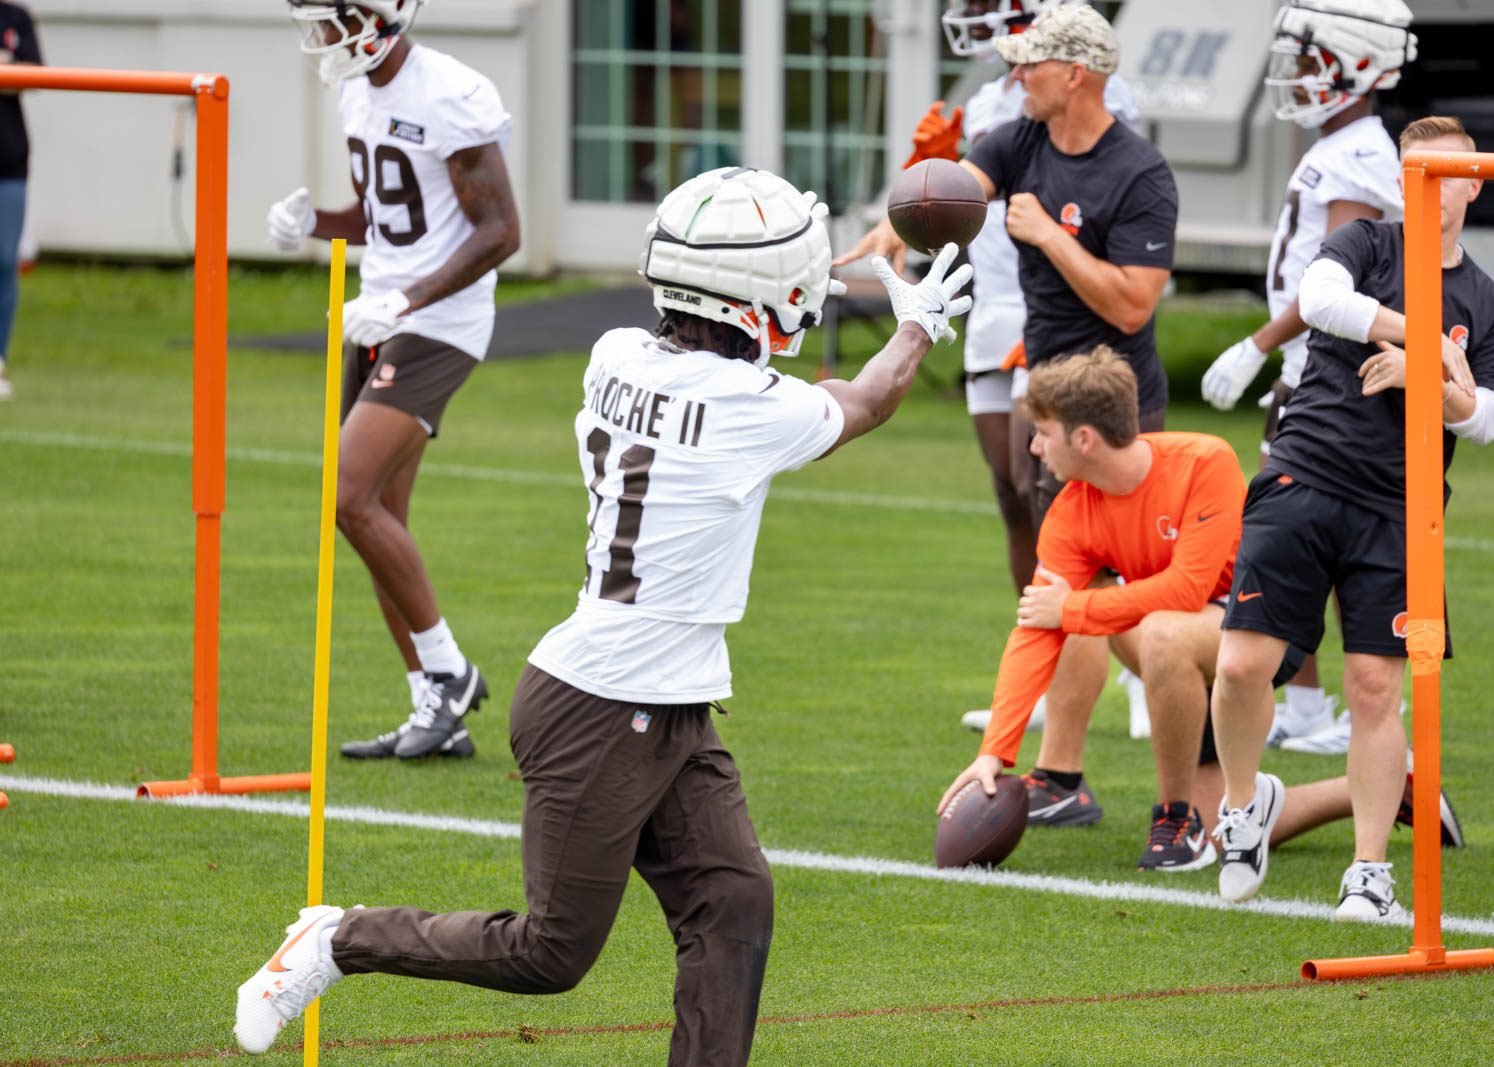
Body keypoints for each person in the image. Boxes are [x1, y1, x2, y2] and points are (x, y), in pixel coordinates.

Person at [232, 166, 974, 1064]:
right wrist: (918, 323)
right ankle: (337, 937)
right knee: (550, 950)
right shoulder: (745, 406)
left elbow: (733, 369)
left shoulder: (615, 352)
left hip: (659, 693)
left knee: (733, 903)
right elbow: (870, 397)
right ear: (753, 300)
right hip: (605, 704)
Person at [937, 350, 1463, 870]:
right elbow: (1036, 626)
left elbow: (1187, 589)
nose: (1034, 446)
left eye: (1043, 433)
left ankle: (1173, 817)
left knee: (1137, 624)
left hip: (1262, 634)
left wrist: (1073, 609)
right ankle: (1393, 786)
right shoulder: (1071, 509)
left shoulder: (1202, 461)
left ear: (1085, 439)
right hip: (1179, 649)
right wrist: (994, 753)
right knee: (1225, 826)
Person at [1209, 116, 1494, 920]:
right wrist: (1419, 336)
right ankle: (1242, 805)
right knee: (1240, 666)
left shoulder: (1488, 301)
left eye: (1446, 174)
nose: (1431, 187)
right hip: (1302, 475)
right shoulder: (1368, 245)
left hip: (1402, 510)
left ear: (1474, 183)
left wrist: (1426, 379)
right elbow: (1317, 300)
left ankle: (1369, 869)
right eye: (1417, 172)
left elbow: (1486, 419)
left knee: (1377, 688)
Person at [266, 0, 521, 758]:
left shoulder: (449, 94)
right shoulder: (358, 91)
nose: (321, 37)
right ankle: (433, 707)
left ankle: (450, 672)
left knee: (347, 495)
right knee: (378, 517)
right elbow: (386, 215)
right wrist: (316, 224)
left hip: (437, 323)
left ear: (379, 14)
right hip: (379, 314)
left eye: (332, 20)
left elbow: (501, 230)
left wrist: (406, 301)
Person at [920, 0, 1149, 740]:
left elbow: (1096, 195)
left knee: (1058, 498)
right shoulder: (998, 97)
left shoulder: (1091, 104)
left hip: (1050, 306)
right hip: (990, 301)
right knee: (1013, 494)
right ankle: (1048, 670)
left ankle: (1143, 665)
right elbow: (957, 203)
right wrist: (920, 184)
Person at [1201, 0, 1417, 755]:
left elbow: (1335, 283)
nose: (1294, 74)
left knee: (1304, 543)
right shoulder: (1340, 142)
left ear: (1356, 65)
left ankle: (1347, 711)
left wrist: (1256, 343)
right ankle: (1303, 702)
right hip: (1304, 374)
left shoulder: (1358, 153)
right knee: (1284, 543)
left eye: (1309, 59)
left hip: (1323, 379)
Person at [0, 0, 42, 402]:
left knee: (4, 261)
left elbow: (33, 74)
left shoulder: (16, 18)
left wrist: (9, 70)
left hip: (8, 160)